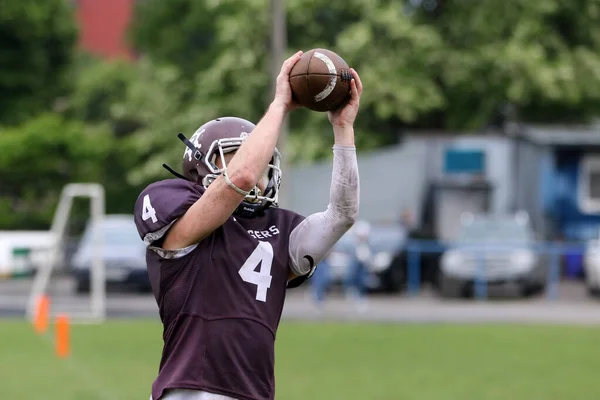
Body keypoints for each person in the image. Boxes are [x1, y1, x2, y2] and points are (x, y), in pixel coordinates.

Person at [133, 50, 362, 400]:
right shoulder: (172, 203)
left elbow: (342, 214)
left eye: (263, 161)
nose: (257, 172)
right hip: (192, 390)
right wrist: (280, 104)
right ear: (200, 167)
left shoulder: (280, 227)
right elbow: (238, 177)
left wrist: (342, 129)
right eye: (236, 153)